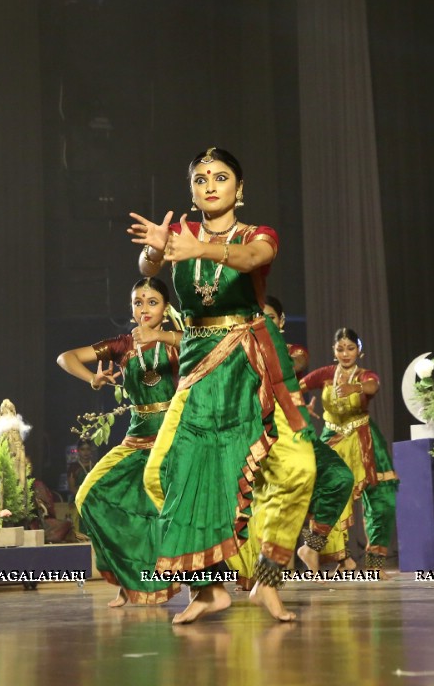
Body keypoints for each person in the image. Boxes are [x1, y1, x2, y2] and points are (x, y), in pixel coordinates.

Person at [128, 148, 316, 624]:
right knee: (159, 474)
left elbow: (255, 257)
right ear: (191, 189)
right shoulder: (178, 235)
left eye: (221, 177)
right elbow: (150, 267)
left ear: (240, 188)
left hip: (253, 365)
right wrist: (157, 248)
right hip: (199, 369)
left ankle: (268, 580)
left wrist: (199, 248)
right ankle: (208, 587)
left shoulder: (258, 234)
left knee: (297, 466)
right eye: (200, 179)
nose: (210, 185)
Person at [57, 277, 182, 607]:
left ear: (166, 308)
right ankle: (129, 580)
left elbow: (208, 345)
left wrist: (161, 335)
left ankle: (167, 584)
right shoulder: (122, 345)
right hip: (136, 438)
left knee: (157, 510)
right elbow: (66, 357)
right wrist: (92, 379)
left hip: (172, 437)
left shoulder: (176, 339)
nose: (144, 309)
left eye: (152, 302)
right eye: (138, 303)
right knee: (88, 497)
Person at [263, 295, 355, 574]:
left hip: (298, 436)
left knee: (340, 477)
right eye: (258, 317)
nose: (264, 322)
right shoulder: (240, 353)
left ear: (281, 322)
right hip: (259, 438)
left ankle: (311, 546)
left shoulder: (291, 351)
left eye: (270, 317)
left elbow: (294, 362)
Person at [298, 328, 398, 572]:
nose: (345, 353)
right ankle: (341, 559)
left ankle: (374, 565)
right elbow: (295, 387)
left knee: (381, 498)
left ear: (359, 351)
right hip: (332, 437)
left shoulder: (365, 376)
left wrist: (357, 388)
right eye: (340, 349)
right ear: (334, 351)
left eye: (350, 348)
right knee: (324, 493)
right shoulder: (325, 374)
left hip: (364, 438)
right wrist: (300, 406)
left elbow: (373, 386)